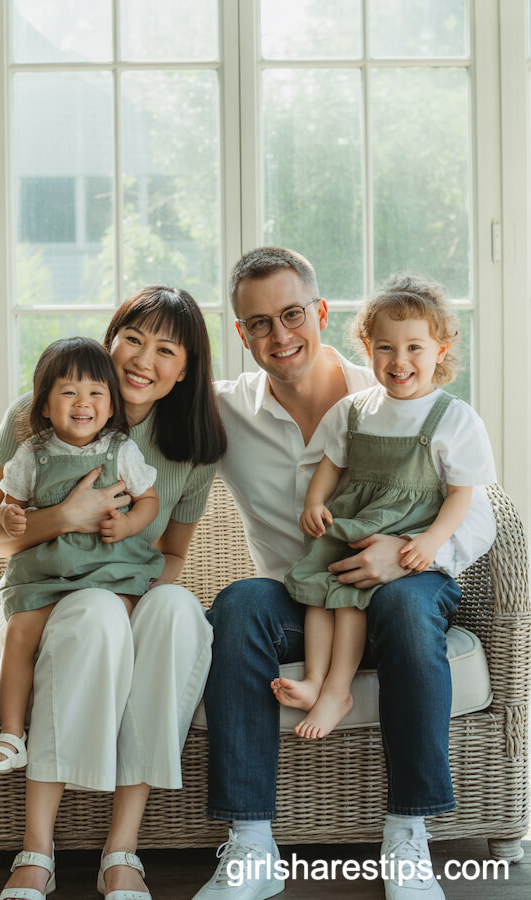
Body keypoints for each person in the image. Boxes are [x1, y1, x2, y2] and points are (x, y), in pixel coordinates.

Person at [194, 249, 496, 900]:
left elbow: (480, 517)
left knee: (407, 609)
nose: (279, 336)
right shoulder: (224, 412)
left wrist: (408, 550)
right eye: (258, 323)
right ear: (241, 333)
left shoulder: (393, 387)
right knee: (240, 603)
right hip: (300, 598)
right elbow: (138, 407)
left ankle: (408, 836)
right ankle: (251, 848)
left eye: (292, 314)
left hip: (399, 593)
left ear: (322, 314)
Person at [0, 287, 227, 900]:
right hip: (42, 603)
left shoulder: (190, 443)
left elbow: (174, 554)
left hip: (126, 595)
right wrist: (66, 516)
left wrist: (137, 596)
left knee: (181, 612)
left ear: (186, 370)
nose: (143, 359)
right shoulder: (46, 410)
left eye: (166, 350)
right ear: (110, 342)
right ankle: (36, 847)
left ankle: (122, 850)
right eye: (132, 339)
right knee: (99, 613)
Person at [274, 277, 495, 742]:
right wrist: (315, 502)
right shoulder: (355, 410)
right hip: (358, 525)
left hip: (411, 536)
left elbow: (462, 495)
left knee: (352, 596)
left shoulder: (453, 417)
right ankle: (316, 678)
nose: (399, 361)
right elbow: (332, 464)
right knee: (321, 589)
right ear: (366, 346)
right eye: (385, 347)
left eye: (415, 347)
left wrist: (431, 541)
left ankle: (338, 689)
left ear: (442, 347)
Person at [0, 336, 163, 775]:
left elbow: (149, 500)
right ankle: (11, 734)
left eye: (96, 393)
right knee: (21, 632)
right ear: (44, 406)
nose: (84, 403)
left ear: (112, 406)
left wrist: (130, 524)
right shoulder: (31, 454)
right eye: (69, 392)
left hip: (105, 572)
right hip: (46, 574)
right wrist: (10, 518)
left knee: (105, 621)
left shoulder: (121, 451)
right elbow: (9, 502)